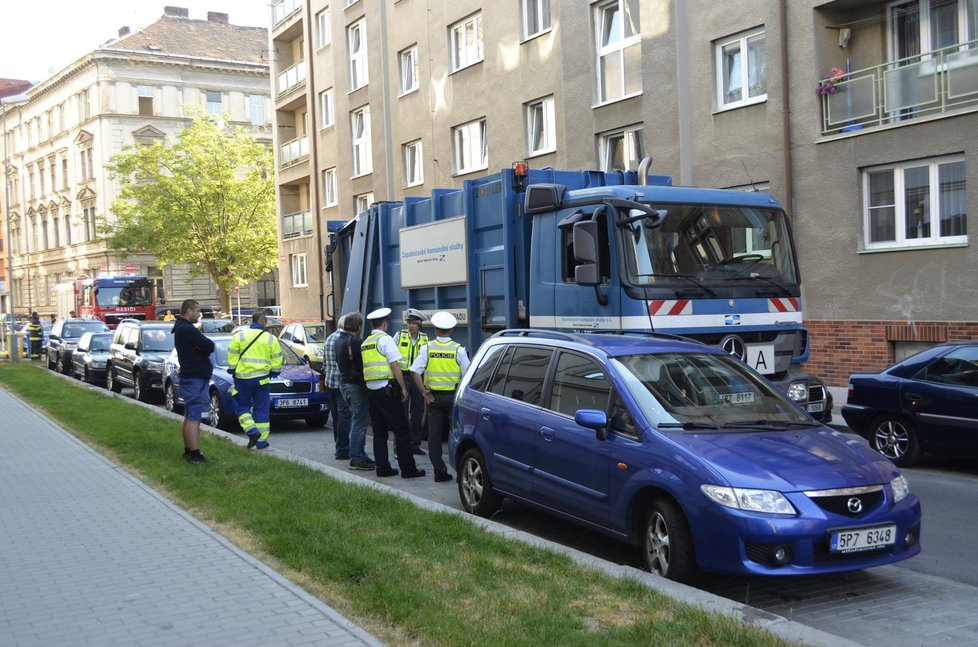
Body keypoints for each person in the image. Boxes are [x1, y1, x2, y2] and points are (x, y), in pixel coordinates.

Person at [360, 307, 425, 479]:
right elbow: (395, 365)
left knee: (379, 431)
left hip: (372, 391)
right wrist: (403, 388)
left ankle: (382, 468)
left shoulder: (366, 342)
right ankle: (408, 469)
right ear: (385, 323)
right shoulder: (385, 340)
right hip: (387, 390)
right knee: (402, 430)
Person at [410, 311, 469, 483]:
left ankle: (439, 472)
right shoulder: (459, 350)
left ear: (435, 330)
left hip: (433, 398)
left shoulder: (427, 348)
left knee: (434, 437)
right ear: (451, 331)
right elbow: (467, 375)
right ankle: (461, 473)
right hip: (453, 398)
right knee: (457, 435)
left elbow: (414, 371)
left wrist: (423, 392)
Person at [228, 309, 283, 450]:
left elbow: (232, 356)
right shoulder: (271, 338)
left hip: (243, 380)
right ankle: (262, 441)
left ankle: (252, 432)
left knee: (241, 406)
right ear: (264, 321)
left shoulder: (239, 336)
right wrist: (273, 373)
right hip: (263, 380)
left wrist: (233, 370)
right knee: (261, 409)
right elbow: (277, 359)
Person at [172, 299, 216, 464]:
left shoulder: (181, 329)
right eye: (197, 311)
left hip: (191, 377)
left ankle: (188, 450)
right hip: (195, 378)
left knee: (189, 415)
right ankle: (195, 455)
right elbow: (209, 345)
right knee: (194, 417)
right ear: (189, 311)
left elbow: (203, 346)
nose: (199, 314)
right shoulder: (187, 329)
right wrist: (202, 347)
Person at [336, 312, 375, 471]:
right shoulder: (356, 342)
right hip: (355, 386)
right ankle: (357, 458)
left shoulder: (339, 340)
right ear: (358, 327)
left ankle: (359, 453)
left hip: (344, 384)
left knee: (355, 420)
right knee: (359, 422)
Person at [397, 308, 429, 456]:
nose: (411, 326)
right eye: (409, 323)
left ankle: (415, 444)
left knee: (417, 412)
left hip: (417, 378)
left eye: (414, 323)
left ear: (419, 325)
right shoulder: (399, 336)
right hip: (403, 377)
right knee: (401, 413)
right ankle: (400, 447)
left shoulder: (425, 339)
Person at [323, 315, 351, 460]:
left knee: (336, 417)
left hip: (330, 382)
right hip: (341, 383)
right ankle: (343, 449)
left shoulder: (329, 339)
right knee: (345, 416)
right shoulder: (345, 341)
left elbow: (325, 363)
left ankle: (338, 445)